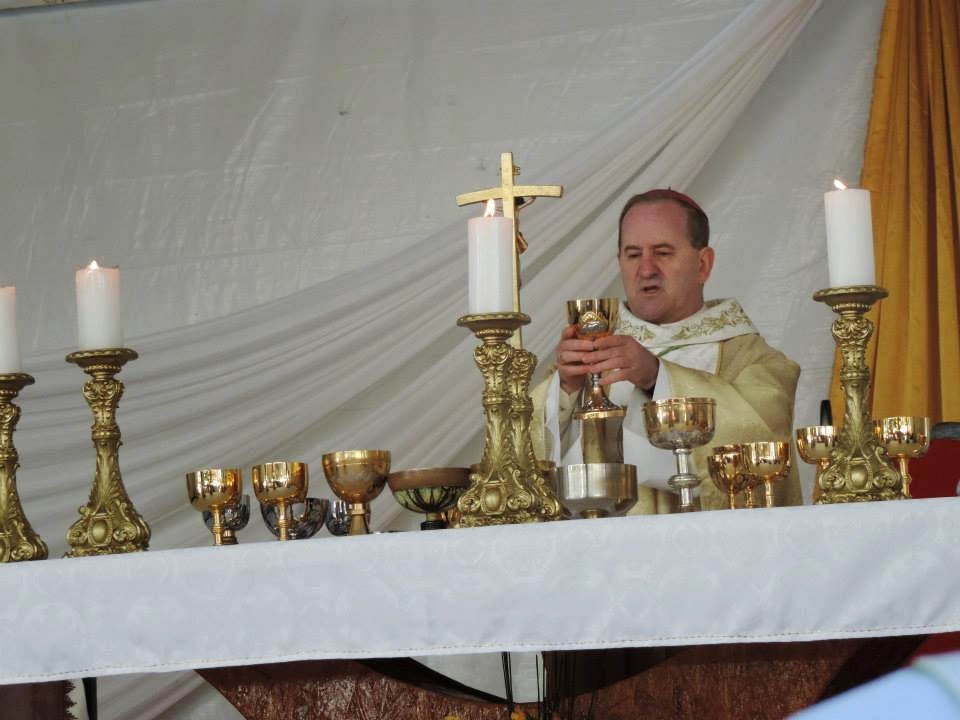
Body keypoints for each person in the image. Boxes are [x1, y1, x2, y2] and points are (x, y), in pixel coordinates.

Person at [532, 189, 803, 512]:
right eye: (633, 255)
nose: (646, 269)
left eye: (662, 253)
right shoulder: (592, 354)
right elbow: (525, 458)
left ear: (703, 265)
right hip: (602, 540)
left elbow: (763, 437)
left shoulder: (748, 357)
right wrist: (564, 392)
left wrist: (657, 377)